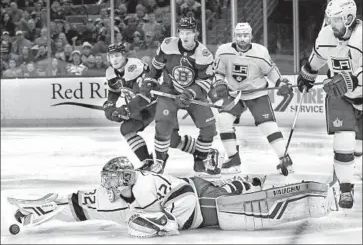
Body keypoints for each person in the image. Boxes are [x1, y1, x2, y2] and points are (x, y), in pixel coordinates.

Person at [7, 156, 329, 238]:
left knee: (222, 199)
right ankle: (239, 181)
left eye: (111, 180)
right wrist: (48, 209)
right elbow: (82, 204)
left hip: (194, 195)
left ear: (126, 178)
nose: (106, 185)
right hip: (184, 188)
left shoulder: (145, 188)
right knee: (214, 188)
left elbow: (184, 204)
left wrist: (166, 222)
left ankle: (246, 182)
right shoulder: (119, 193)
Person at [103, 43, 218, 176]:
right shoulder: (110, 72)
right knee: (128, 129)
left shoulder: (135, 68)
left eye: (117, 56)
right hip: (141, 109)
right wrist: (110, 107)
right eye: (111, 57)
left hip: (158, 104)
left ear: (124, 56)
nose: (114, 60)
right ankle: (148, 162)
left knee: (170, 139)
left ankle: (205, 152)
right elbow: (114, 92)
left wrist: (127, 110)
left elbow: (147, 96)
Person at [296, 0, 362, 209]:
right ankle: (345, 188)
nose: (331, 23)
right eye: (330, 18)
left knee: (357, 146)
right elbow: (317, 59)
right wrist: (308, 73)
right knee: (343, 141)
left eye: (337, 19)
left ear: (349, 19)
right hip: (340, 95)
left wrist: (351, 79)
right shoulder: (326, 34)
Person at [210, 22, 294, 177]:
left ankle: (284, 158)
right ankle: (234, 159)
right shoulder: (223, 51)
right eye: (239, 35)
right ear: (234, 36)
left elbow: (271, 71)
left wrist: (280, 83)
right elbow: (218, 72)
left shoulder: (260, 52)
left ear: (251, 36)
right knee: (223, 120)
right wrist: (219, 83)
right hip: (235, 94)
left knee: (267, 125)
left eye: (245, 35)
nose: (242, 39)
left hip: (257, 93)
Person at [141, 16, 218, 175]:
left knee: (209, 129)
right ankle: (160, 161)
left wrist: (190, 93)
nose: (185, 36)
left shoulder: (204, 54)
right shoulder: (168, 45)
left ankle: (201, 157)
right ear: (178, 33)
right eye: (182, 32)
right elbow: (156, 67)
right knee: (163, 125)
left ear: (196, 33)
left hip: (193, 94)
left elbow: (205, 82)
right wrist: (150, 80)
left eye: (189, 32)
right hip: (169, 90)